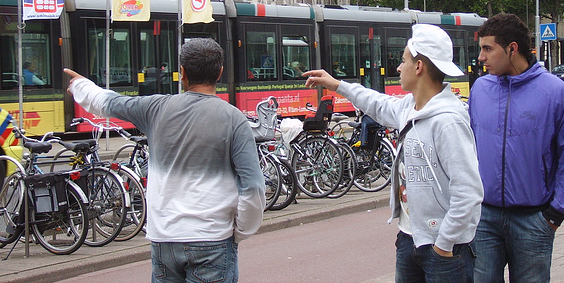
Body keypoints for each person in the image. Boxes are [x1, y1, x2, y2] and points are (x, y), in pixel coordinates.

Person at [64, 38, 265, 283]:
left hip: (164, 239)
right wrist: (241, 231)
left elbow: (109, 102)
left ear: (182, 72)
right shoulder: (234, 119)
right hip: (211, 238)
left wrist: (80, 86)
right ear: (220, 73)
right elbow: (253, 187)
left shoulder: (155, 108)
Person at [304, 24, 483, 282]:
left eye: (403, 61)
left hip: (444, 250)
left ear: (419, 66)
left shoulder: (449, 122)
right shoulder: (409, 107)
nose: (398, 68)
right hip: (409, 239)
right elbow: (377, 103)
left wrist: (444, 243)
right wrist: (337, 85)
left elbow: (469, 193)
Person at [468, 13, 564, 283]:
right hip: (484, 218)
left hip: (534, 218)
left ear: (512, 48)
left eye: (487, 48)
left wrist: (555, 214)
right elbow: (468, 148)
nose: (481, 57)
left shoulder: (554, 91)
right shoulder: (480, 89)